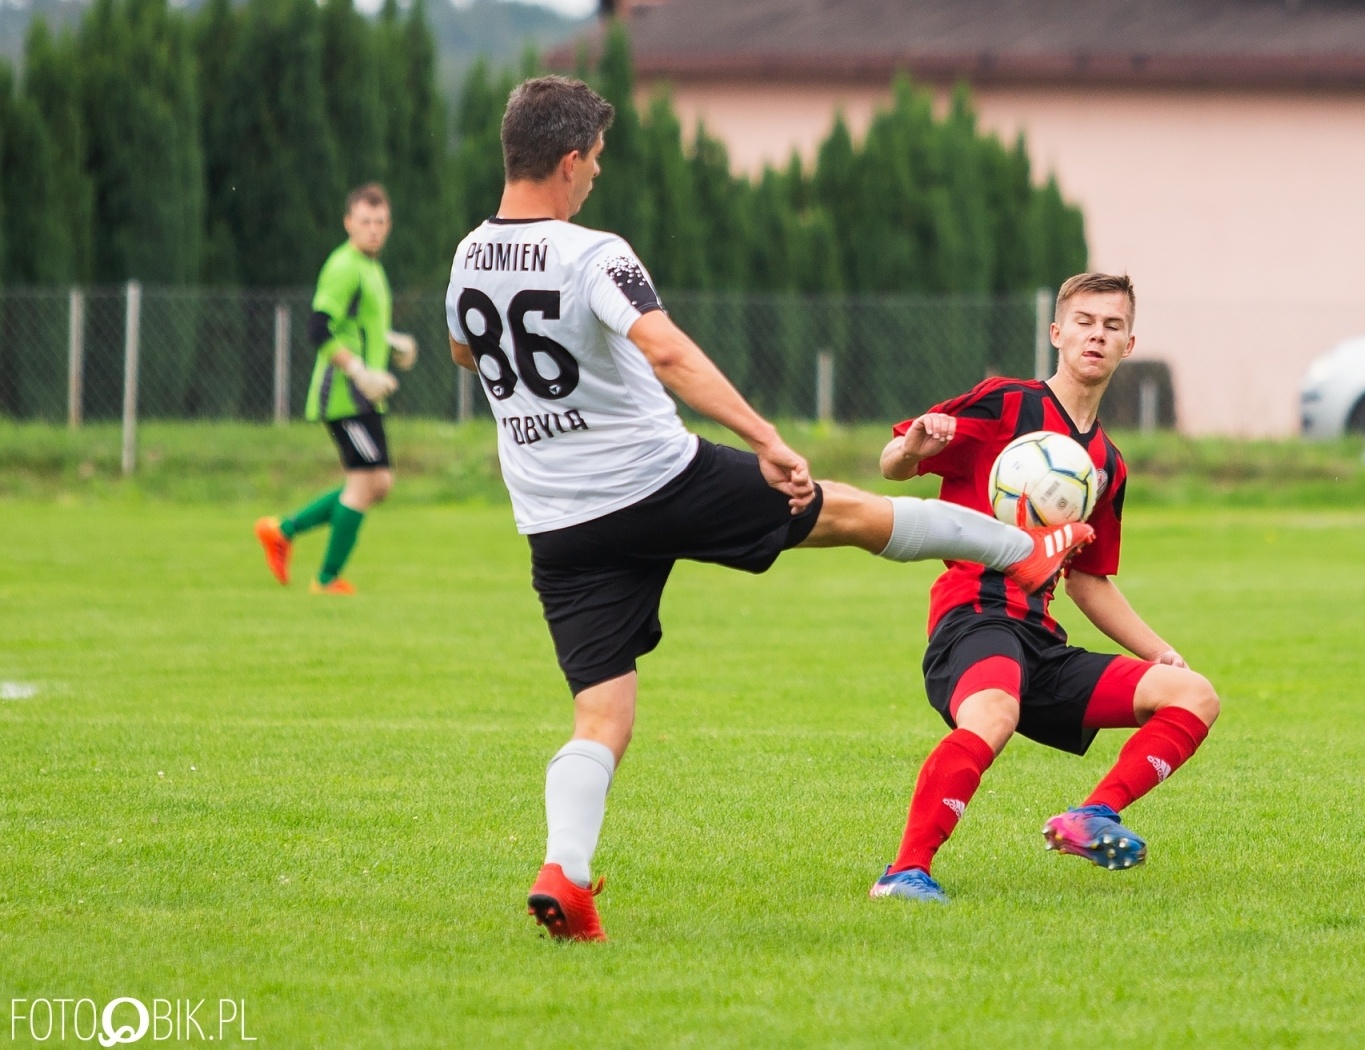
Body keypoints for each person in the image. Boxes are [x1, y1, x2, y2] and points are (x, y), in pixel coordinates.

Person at [442, 75, 1089, 942]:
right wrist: (764, 436)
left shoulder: (466, 256)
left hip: (558, 519)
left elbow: (463, 348)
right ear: (566, 160)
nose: (595, 175)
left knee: (601, 713)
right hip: (655, 481)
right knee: (852, 516)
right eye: (593, 160)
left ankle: (567, 872)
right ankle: (1022, 551)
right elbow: (665, 350)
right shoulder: (593, 252)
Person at [869, 272, 1221, 904]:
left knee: (1192, 695)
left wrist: (1158, 650)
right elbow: (895, 460)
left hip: (1041, 640)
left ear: (1128, 343)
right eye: (1085, 322)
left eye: (1112, 326)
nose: (1097, 335)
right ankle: (904, 873)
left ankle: (1092, 818)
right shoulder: (1006, 403)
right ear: (1057, 334)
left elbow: (1089, 579)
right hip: (974, 619)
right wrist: (915, 444)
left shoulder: (1107, 463)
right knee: (994, 713)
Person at [254, 184, 418, 595]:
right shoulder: (344, 266)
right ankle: (326, 579)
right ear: (348, 223)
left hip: (364, 396)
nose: (373, 230)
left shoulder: (372, 268)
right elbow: (319, 328)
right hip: (345, 394)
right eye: (365, 221)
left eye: (380, 222)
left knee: (375, 484)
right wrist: (360, 371)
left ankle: (283, 530)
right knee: (369, 484)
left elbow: (356, 324)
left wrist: (391, 340)